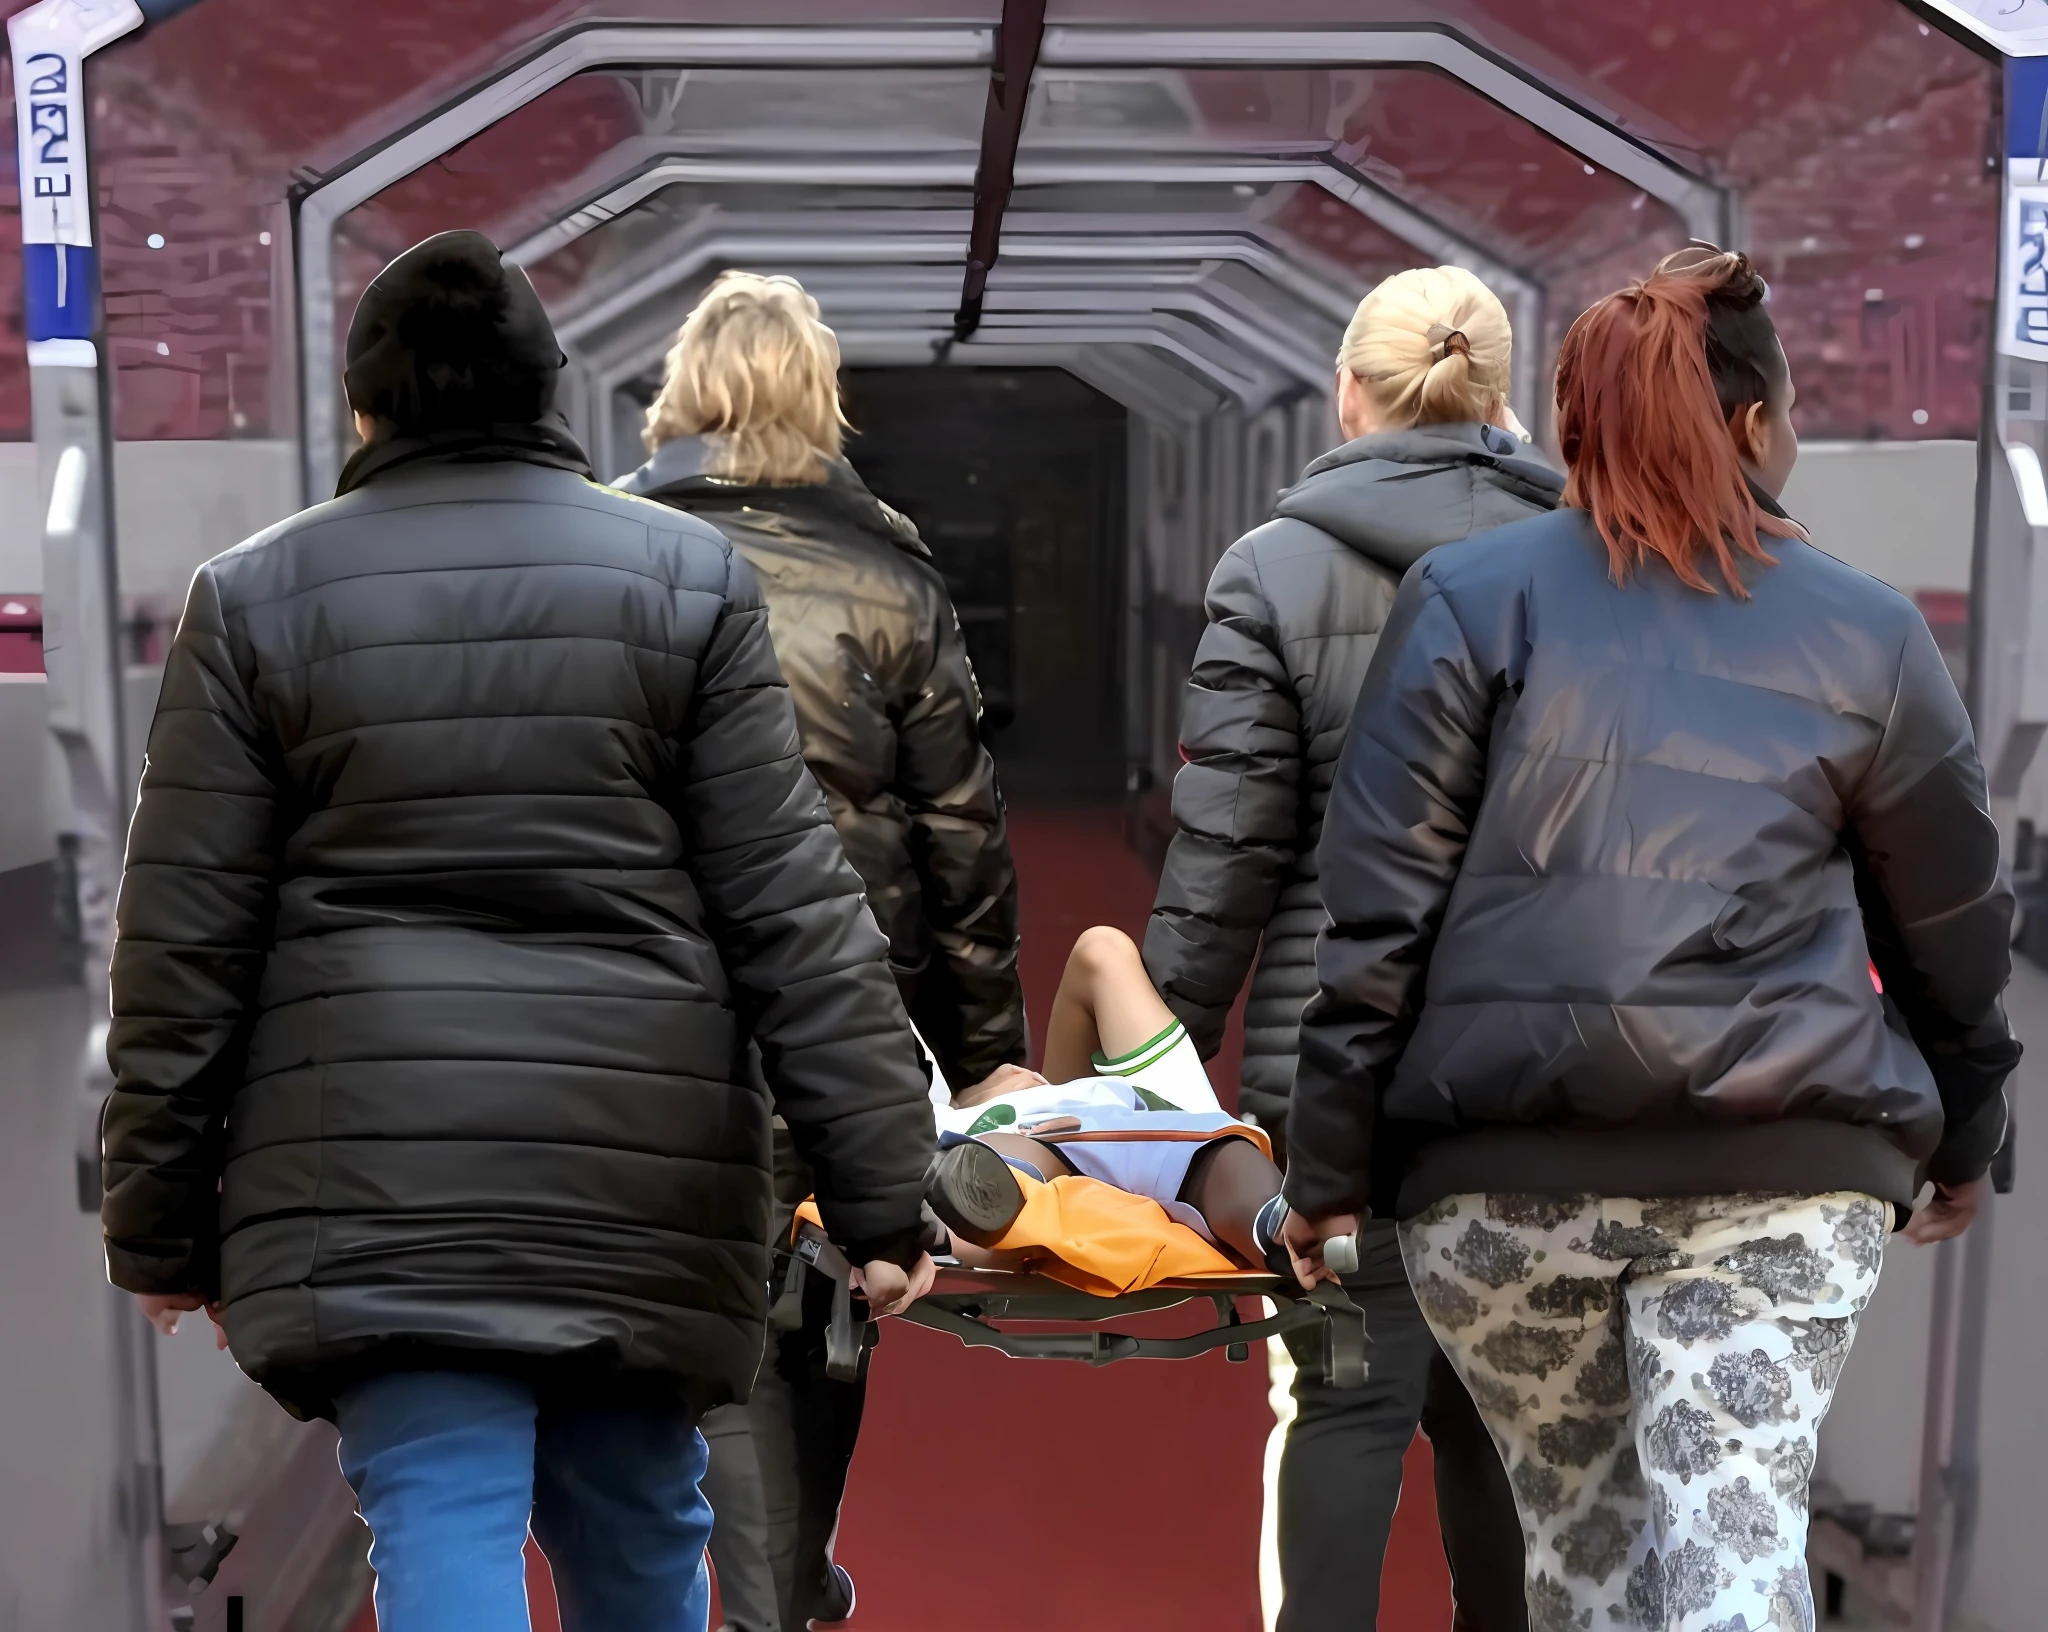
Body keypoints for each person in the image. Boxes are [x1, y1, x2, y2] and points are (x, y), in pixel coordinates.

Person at [98, 231, 939, 1632]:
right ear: (554, 398)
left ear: (366, 409)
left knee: (436, 1511)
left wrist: (161, 1231)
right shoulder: (682, 583)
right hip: (638, 1176)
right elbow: (791, 907)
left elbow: (183, 946)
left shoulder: (252, 599)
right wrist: (878, 1194)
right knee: (638, 1525)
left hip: (373, 1179)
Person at [1282, 246, 2019, 1632]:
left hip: (1501, 1187)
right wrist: (1967, 1132)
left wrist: (1328, 1171)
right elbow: (1952, 924)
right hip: (1778, 1172)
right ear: (1748, 426)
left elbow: (1375, 919)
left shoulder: (1465, 597)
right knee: (1731, 1551)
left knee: (1585, 1558)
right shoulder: (1866, 630)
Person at [1144, 265, 1556, 1631]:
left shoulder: (1273, 570)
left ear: (1349, 393)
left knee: (1345, 1399)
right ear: (1507, 394)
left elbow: (1228, 859)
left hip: (1337, 1069)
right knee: (1506, 1408)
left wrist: (1154, 1074)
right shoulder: (1596, 565)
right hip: (1538, 1069)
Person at [616, 269, 1022, 1631]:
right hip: (841, 999)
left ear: (679, 398)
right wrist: (984, 1057)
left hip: (645, 1002)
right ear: (819, 404)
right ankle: (782, 1588)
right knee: (826, 1291)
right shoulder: (890, 576)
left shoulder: (599, 557)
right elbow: (960, 840)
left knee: (690, 1298)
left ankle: (759, 1582)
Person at [924, 925, 1288, 1272]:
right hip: (1013, 1154)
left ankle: (1296, 1231)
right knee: (998, 1165)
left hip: (1118, 1111)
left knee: (1101, 949)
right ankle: (1289, 1238)